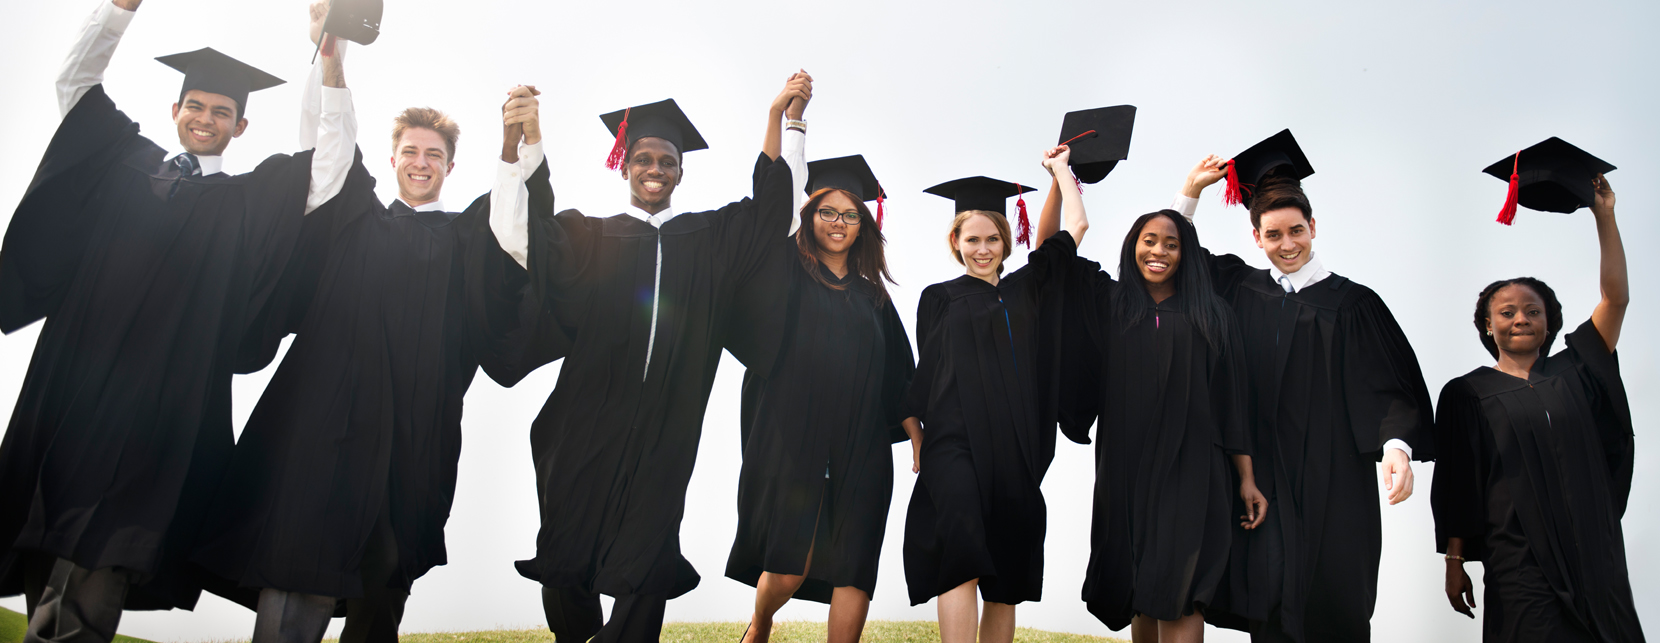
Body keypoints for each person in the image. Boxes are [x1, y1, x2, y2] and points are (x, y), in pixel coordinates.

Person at [187, 6, 553, 642]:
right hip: (322, 418)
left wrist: (516, 148)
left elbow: (514, 233)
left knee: (384, 576)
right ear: (391, 158)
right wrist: (332, 56)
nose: (420, 162)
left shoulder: (466, 238)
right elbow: (326, 146)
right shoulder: (351, 214)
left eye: (433, 154)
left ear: (449, 166)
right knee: (296, 556)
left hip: (414, 431)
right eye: (409, 151)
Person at [0, 0, 354, 639]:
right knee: (41, 541)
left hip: (159, 416)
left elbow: (328, 162)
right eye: (196, 106)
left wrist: (330, 56)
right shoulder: (120, 165)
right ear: (176, 111)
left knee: (102, 550)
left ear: (240, 127)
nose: (206, 119)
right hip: (69, 397)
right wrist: (118, 9)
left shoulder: (249, 202)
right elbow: (75, 85)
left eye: (223, 112)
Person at [488, 74, 811, 643]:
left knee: (649, 550)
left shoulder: (708, 237)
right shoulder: (589, 235)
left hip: (668, 424)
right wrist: (523, 143)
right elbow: (524, 235)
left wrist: (786, 123)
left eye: (667, 160)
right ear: (624, 165)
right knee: (566, 546)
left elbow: (774, 215)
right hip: (584, 422)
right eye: (644, 158)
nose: (655, 168)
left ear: (681, 171)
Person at [1174, 131, 1434, 643]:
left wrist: (1397, 447)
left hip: (1334, 476)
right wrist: (1190, 192)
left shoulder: (1353, 304)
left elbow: (1390, 384)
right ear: (1256, 238)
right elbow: (1173, 255)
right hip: (1261, 476)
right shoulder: (1239, 288)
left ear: (1313, 227)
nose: (1287, 245)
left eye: (1296, 231)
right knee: (1268, 595)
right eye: (1273, 235)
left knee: (1334, 595)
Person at [1035, 138, 1265, 641]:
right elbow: (1051, 252)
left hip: (1194, 469)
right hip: (1127, 466)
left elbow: (1232, 402)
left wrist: (1245, 477)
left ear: (1187, 255)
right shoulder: (1109, 302)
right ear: (1131, 247)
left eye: (1171, 243)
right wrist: (1059, 179)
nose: (1159, 251)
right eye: (1148, 240)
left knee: (1184, 592)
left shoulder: (1212, 317)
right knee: (1139, 587)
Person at [1431, 139, 1642, 642]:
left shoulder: (1578, 368)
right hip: (1519, 560)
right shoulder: (1467, 393)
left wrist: (1603, 216)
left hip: (1595, 552)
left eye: (1532, 310)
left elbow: (1617, 297)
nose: (1520, 318)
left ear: (1550, 323)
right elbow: (1458, 483)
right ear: (1487, 326)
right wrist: (1455, 561)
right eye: (1506, 312)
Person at [727, 154, 915, 643]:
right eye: (827, 212)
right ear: (808, 218)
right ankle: (762, 622)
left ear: (863, 227)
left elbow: (901, 372)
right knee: (791, 561)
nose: (839, 223)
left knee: (856, 560)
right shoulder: (785, 276)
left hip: (862, 440)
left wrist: (914, 427)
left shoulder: (875, 297)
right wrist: (786, 122)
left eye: (851, 215)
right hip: (794, 432)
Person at [901, 166, 1080, 643]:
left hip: (1016, 451)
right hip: (954, 446)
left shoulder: (1026, 290)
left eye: (993, 240)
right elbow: (925, 378)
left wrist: (1061, 173)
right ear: (956, 241)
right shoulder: (938, 298)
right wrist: (919, 441)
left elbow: (1074, 229)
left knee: (1006, 575)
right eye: (972, 239)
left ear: (1007, 242)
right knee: (960, 556)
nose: (983, 250)